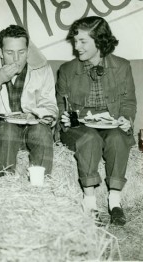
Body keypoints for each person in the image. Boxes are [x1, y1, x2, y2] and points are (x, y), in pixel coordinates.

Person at [56, 16, 137, 226]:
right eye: (75, 40)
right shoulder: (66, 70)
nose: (76, 46)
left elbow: (128, 102)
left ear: (99, 42)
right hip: (79, 127)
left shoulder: (122, 66)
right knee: (89, 137)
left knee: (119, 138)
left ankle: (115, 202)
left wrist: (126, 120)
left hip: (111, 124)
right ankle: (90, 201)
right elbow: (60, 105)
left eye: (83, 41)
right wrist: (64, 117)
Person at [0, 24, 58, 176]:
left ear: (28, 51)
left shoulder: (42, 68)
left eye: (21, 52)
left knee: (42, 131)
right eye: (9, 53)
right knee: (9, 130)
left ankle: (42, 187)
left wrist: (45, 116)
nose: (16, 59)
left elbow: (49, 105)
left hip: (31, 130)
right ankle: (4, 187)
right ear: (0, 52)